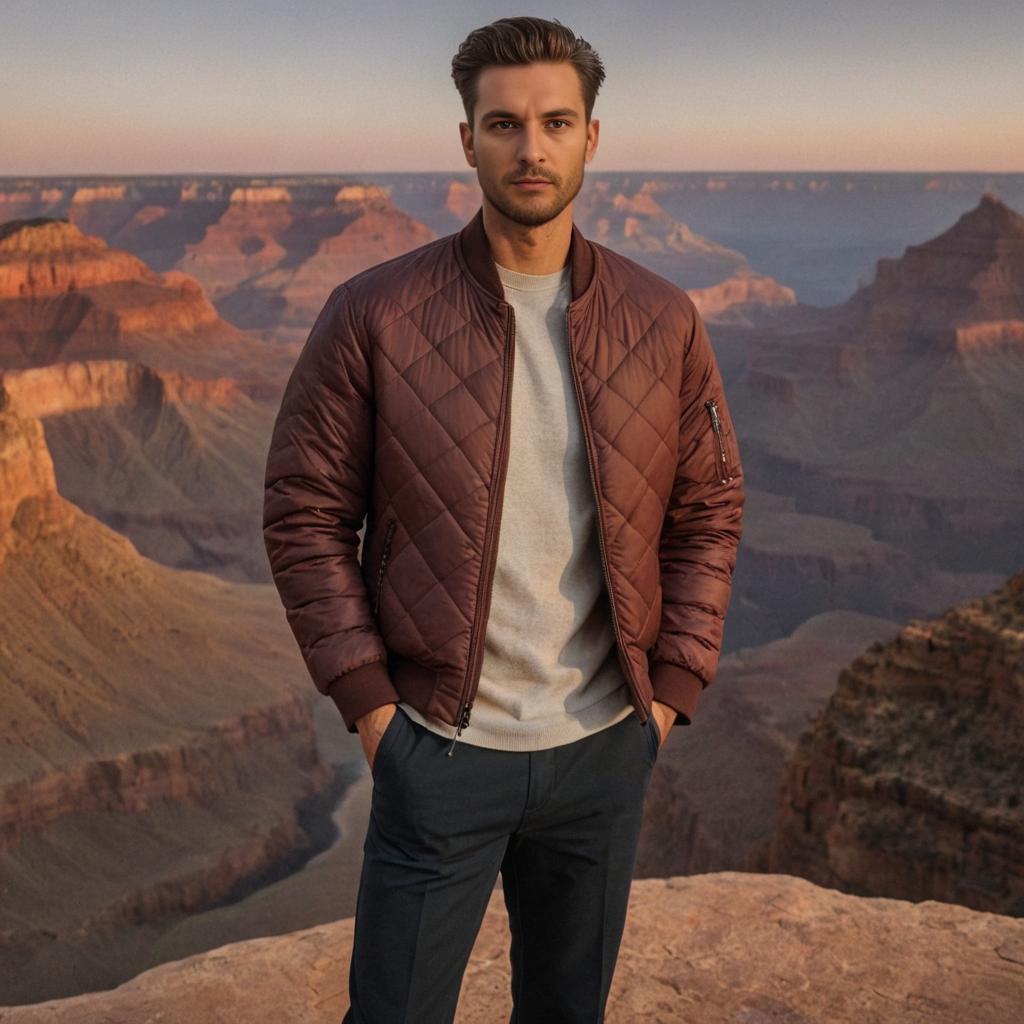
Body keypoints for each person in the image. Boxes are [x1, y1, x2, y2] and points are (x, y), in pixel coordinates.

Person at [263, 15, 745, 1023]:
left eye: (556, 122)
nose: (531, 148)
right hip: (438, 745)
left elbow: (706, 509)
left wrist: (666, 693)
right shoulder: (373, 312)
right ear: (467, 139)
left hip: (603, 748)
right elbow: (305, 511)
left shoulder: (662, 319)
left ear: (591, 139)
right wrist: (372, 708)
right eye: (504, 124)